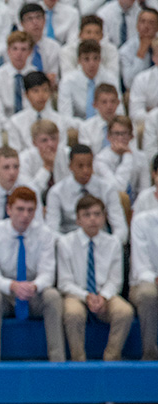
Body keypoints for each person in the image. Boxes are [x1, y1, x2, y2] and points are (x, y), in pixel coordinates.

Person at [0, 186, 65, 362]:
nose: (25, 215)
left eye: (30, 210)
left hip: (32, 292)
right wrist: (12, 286)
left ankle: (58, 361)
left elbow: (47, 273)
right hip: (4, 293)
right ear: (8, 209)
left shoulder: (45, 234)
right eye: (20, 209)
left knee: (53, 296)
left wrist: (34, 286)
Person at [57, 195, 133, 361]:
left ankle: (111, 358)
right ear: (78, 220)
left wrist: (103, 297)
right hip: (76, 294)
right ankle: (79, 361)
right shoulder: (66, 243)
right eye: (87, 215)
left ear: (104, 217)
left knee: (124, 312)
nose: (93, 219)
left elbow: (115, 281)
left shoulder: (113, 243)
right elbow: (64, 282)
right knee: (73, 313)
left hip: (104, 294)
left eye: (97, 214)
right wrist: (87, 296)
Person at [44, 144, 128, 245]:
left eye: (89, 165)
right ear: (70, 166)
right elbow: (52, 231)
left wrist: (110, 245)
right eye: (80, 166)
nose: (86, 171)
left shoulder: (107, 188)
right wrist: (70, 246)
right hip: (68, 245)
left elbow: (120, 227)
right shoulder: (57, 192)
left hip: (101, 243)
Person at [130, 207, 158, 360]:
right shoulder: (142, 221)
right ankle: (150, 354)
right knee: (148, 294)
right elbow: (141, 267)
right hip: (145, 281)